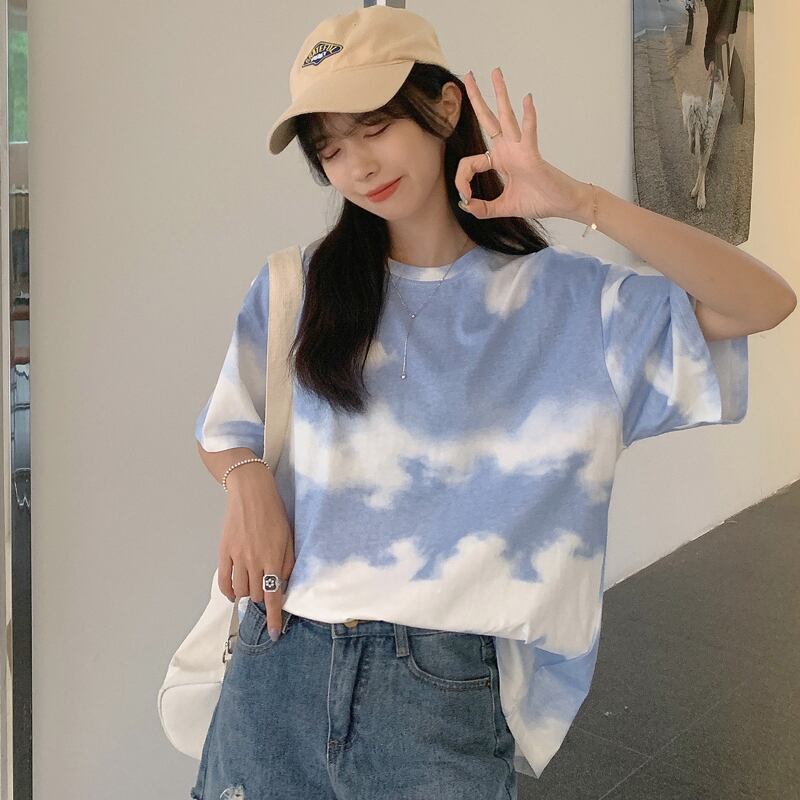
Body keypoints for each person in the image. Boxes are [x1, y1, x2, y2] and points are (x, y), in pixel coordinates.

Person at [190, 5, 790, 799]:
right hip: (279, 660)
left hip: (440, 686)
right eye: (329, 149)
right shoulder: (296, 287)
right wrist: (247, 482)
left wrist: (581, 201)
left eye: (374, 127)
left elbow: (763, 303)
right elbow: (226, 430)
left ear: (444, 108)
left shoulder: (571, 304)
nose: (358, 166)